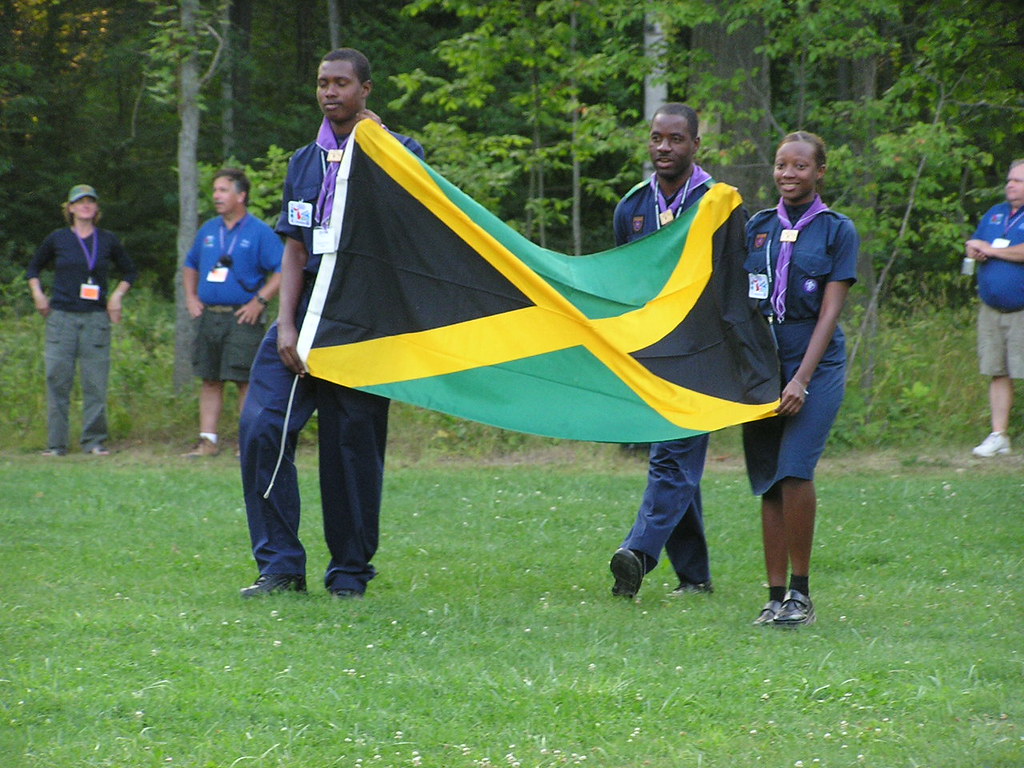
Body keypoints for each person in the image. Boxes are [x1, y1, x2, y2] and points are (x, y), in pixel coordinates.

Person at [238, 48, 424, 599]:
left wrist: (380, 142)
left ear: (366, 89)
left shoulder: (401, 153)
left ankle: (349, 571)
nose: (330, 92)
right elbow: (293, 248)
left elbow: (419, 220)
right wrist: (287, 324)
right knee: (261, 427)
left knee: (352, 446)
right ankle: (279, 565)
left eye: (341, 83)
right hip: (305, 313)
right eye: (322, 82)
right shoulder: (303, 161)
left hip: (364, 318)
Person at [742, 131, 858, 627]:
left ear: (820, 172)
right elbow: (740, 302)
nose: (789, 174)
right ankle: (773, 597)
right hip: (765, 366)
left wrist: (802, 380)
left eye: (800, 167)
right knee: (768, 479)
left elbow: (830, 312)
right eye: (781, 166)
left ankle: (801, 594)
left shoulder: (836, 230)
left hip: (816, 363)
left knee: (794, 469)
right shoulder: (758, 227)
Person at [608, 103, 717, 600]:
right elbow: (624, 281)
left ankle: (638, 554)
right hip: (652, 351)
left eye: (675, 139)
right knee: (677, 456)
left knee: (671, 457)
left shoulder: (718, 203)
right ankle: (694, 577)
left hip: (703, 350)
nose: (664, 148)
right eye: (656, 138)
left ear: (696, 145)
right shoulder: (631, 207)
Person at [27, 184, 138, 457]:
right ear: (71, 208)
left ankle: (94, 441)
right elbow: (33, 268)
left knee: (95, 383)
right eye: (80, 202)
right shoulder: (58, 239)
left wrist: (117, 297)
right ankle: (56, 445)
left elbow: (129, 272)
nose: (86, 205)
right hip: (61, 317)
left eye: (91, 201)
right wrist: (38, 295)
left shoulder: (108, 240)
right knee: (58, 380)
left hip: (95, 319)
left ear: (97, 208)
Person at [182, 168, 283, 457]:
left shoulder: (259, 232)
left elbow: (282, 269)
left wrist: (260, 301)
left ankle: (247, 443)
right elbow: (190, 264)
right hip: (209, 315)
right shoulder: (209, 230)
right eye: (215, 190)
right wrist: (191, 297)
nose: (216, 196)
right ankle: (208, 442)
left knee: (244, 380)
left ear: (242, 195)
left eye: (223, 190)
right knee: (210, 378)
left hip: (242, 317)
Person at [964, 158, 1024, 458]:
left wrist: (992, 249)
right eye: (1010, 180)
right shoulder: (996, 213)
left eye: (1018, 181)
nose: (1011, 185)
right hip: (992, 309)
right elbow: (980, 240)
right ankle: (999, 435)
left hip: (1022, 310)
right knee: (997, 371)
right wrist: (974, 247)